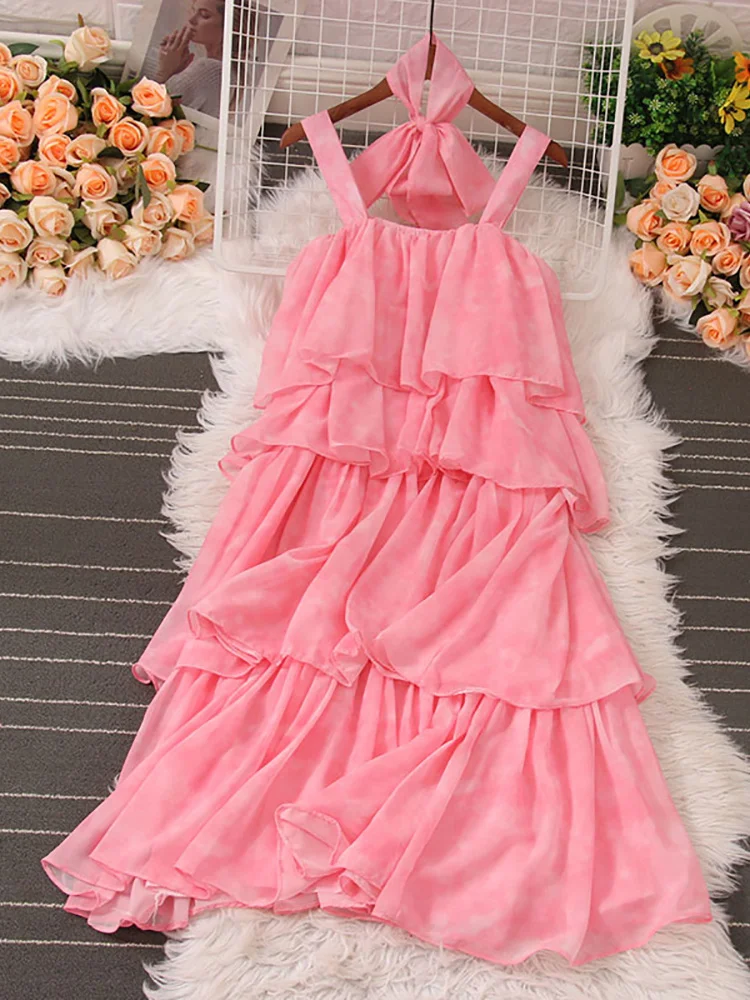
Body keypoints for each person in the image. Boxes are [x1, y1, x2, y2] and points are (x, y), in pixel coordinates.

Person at [155, 0, 256, 117]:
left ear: (230, 26)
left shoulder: (209, 69)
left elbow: (157, 111)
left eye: (204, 15)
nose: (191, 20)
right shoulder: (231, 72)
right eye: (193, 10)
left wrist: (163, 72)